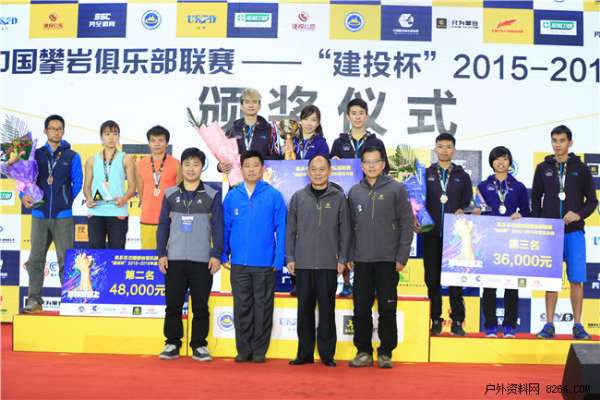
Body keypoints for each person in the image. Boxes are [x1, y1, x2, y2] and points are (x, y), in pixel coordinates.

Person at [347, 147, 413, 369]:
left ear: (383, 164)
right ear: (362, 165)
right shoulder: (354, 191)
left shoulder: (397, 189)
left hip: (388, 260)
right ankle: (363, 351)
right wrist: (349, 254)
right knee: (361, 309)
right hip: (361, 260)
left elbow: (407, 224)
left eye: (375, 161)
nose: (371, 166)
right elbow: (349, 227)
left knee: (387, 308)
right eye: (367, 162)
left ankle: (385, 352)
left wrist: (402, 255)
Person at [156, 148, 223, 361]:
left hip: (202, 260)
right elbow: (163, 226)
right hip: (174, 259)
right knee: (173, 304)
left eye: (196, 164)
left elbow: (218, 227)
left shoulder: (212, 194)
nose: (191, 168)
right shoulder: (170, 194)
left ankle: (199, 345)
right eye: (187, 164)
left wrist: (216, 254)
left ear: (202, 167)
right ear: (181, 167)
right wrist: (161, 253)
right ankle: (172, 343)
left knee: (201, 305)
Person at [532, 125, 597, 340]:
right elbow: (535, 200)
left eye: (561, 140)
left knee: (577, 280)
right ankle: (549, 324)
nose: (557, 145)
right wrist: (542, 224)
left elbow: (592, 201)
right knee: (551, 280)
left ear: (570, 142)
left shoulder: (581, 168)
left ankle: (578, 325)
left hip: (574, 232)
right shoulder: (543, 168)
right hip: (551, 234)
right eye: (554, 141)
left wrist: (578, 214)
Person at [222, 150, 287, 363]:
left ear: (262, 169)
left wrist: (279, 258)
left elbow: (282, 228)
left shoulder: (273, 195)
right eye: (247, 166)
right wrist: (223, 253)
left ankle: (259, 351)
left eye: (255, 165)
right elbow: (225, 227)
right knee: (241, 307)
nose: (251, 169)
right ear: (241, 169)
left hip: (265, 263)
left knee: (263, 308)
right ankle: (243, 350)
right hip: (238, 263)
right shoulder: (232, 196)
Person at [286, 155, 350, 367]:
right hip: (303, 264)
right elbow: (290, 231)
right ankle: (304, 353)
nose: (318, 173)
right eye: (313, 169)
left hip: (328, 264)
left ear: (329, 171)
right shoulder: (298, 197)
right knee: (304, 310)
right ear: (308, 171)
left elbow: (345, 231)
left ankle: (327, 354)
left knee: (327, 311)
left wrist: (342, 258)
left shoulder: (339, 198)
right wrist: (290, 257)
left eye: (322, 169)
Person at [21, 114, 83, 313]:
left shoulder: (72, 156)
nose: (56, 132)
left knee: (66, 260)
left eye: (59, 129)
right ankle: (34, 300)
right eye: (52, 128)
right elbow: (25, 180)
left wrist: (65, 199)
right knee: (35, 260)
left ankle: (69, 300)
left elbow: (77, 182)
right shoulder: (35, 154)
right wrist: (23, 195)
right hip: (39, 214)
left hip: (63, 215)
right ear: (45, 131)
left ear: (63, 131)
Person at [330, 98, 389, 297]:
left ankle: (370, 282)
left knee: (368, 234)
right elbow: (330, 171)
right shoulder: (339, 142)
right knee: (345, 236)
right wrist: (334, 162)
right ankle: (346, 282)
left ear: (367, 116)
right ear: (348, 116)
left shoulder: (376, 142)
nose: (357, 117)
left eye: (361, 113)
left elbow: (385, 169)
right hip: (345, 197)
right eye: (353, 113)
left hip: (370, 196)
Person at [416, 133, 473, 337]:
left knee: (455, 278)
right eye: (440, 146)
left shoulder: (462, 176)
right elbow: (418, 202)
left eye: (449, 147)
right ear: (435, 149)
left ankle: (457, 320)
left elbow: (469, 203)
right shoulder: (426, 174)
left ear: (454, 150)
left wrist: (464, 210)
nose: (444, 150)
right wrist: (416, 219)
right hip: (431, 234)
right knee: (432, 278)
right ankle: (435, 319)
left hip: (454, 237)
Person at [476, 146, 530, 338]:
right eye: (497, 159)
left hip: (511, 241)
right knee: (489, 285)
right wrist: (475, 212)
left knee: (511, 285)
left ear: (510, 162)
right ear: (491, 162)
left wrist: (521, 215)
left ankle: (509, 326)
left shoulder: (519, 186)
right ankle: (490, 325)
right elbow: (478, 210)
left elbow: (527, 211)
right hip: (489, 241)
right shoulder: (482, 186)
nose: (501, 162)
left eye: (505, 159)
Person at [83, 120, 136, 249]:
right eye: (107, 134)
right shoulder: (91, 160)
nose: (111, 137)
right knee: (96, 253)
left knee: (117, 252)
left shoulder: (126, 158)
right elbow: (86, 187)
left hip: (117, 211)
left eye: (115, 133)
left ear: (118, 136)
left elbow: (132, 186)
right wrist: (89, 198)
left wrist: (124, 198)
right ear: (101, 137)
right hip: (96, 211)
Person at [136, 125, 180, 250]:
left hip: (169, 219)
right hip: (147, 217)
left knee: (170, 255)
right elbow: (140, 188)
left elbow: (180, 190)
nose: (157, 144)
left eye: (161, 140)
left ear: (167, 143)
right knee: (148, 256)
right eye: (153, 140)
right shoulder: (141, 164)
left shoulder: (176, 163)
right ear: (148, 143)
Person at [217, 88, 278, 175]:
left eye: (254, 102)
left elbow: (276, 158)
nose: (251, 105)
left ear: (259, 106)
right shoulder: (233, 129)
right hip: (238, 178)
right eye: (247, 102)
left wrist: (257, 161)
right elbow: (224, 155)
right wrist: (220, 166)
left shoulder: (269, 130)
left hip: (262, 177)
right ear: (241, 106)